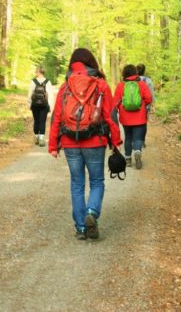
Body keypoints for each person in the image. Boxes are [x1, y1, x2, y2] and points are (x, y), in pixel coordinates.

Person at [48, 48, 122, 240]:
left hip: (70, 141)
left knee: (76, 183)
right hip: (95, 141)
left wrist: (53, 145)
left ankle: (81, 227)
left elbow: (57, 117)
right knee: (97, 181)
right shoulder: (101, 85)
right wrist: (116, 141)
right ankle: (92, 212)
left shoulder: (65, 87)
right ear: (91, 63)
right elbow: (109, 116)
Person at [113, 64, 152, 169]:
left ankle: (128, 159)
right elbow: (149, 98)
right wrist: (143, 105)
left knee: (128, 138)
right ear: (136, 73)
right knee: (138, 138)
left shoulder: (120, 86)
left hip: (125, 118)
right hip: (139, 117)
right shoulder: (142, 84)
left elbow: (115, 101)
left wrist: (117, 110)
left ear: (124, 73)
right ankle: (138, 152)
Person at [27, 67, 54, 147]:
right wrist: (50, 105)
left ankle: (36, 137)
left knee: (36, 120)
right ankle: (41, 139)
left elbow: (30, 94)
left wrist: (29, 104)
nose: (35, 73)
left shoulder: (33, 81)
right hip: (44, 105)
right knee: (42, 121)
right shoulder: (48, 82)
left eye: (36, 72)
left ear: (38, 72)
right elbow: (50, 95)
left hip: (35, 104)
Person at [136, 63, 155, 147]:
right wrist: (152, 103)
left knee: (134, 121)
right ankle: (142, 140)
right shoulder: (148, 80)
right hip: (145, 105)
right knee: (143, 123)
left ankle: (135, 140)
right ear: (144, 71)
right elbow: (151, 94)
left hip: (134, 104)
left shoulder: (132, 80)